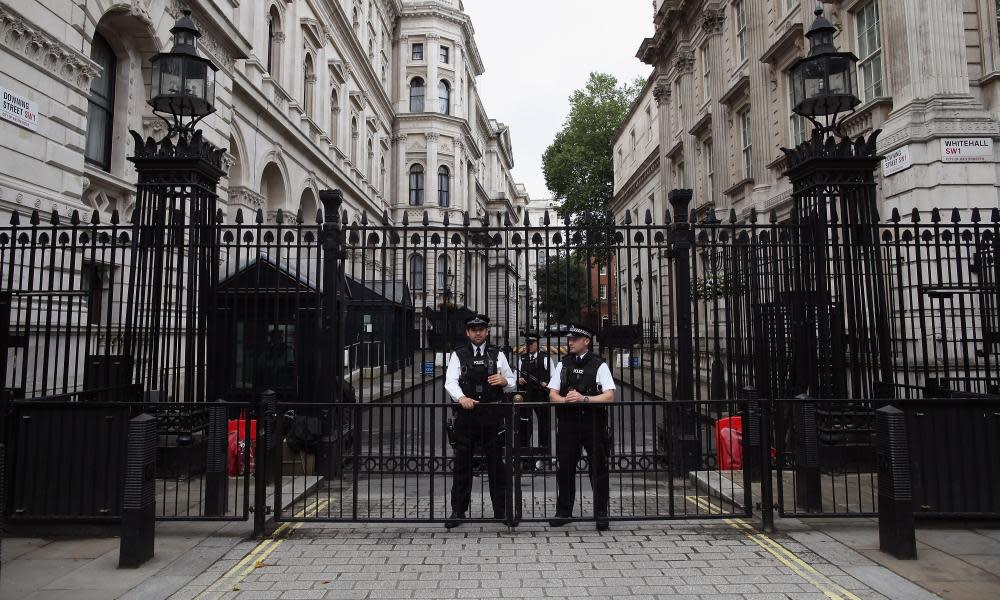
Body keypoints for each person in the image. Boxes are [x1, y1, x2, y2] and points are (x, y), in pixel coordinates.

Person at [443, 313, 516, 528]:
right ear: (467, 332)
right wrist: (461, 397)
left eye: (481, 329)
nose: (477, 332)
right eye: (473, 329)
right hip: (467, 416)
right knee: (463, 465)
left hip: (491, 416)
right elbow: (450, 382)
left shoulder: (497, 354)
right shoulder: (458, 354)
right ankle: (458, 510)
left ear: (487, 331)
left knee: (496, 465)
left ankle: (501, 511)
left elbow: (512, 382)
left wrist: (504, 380)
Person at [547, 323, 616, 531]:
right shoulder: (563, 364)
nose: (570, 342)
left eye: (574, 339)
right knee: (565, 467)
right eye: (570, 339)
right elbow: (552, 392)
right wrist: (564, 401)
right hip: (568, 423)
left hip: (592, 422)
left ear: (586, 341)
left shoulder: (599, 365)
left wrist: (584, 398)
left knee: (598, 467)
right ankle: (564, 511)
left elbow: (610, 395)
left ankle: (601, 512)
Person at [516, 333, 556, 469]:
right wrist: (518, 379)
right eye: (527, 344)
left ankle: (543, 455)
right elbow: (516, 375)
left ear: (537, 344)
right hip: (526, 394)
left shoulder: (545, 359)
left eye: (531, 343)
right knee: (524, 424)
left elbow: (554, 377)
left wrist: (546, 384)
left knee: (543, 424)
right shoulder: (522, 359)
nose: (529, 346)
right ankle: (524, 455)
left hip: (540, 394)